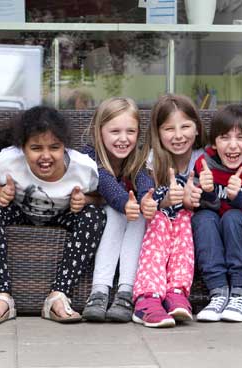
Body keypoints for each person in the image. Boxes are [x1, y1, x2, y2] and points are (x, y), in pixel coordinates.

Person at [0, 106, 106, 325]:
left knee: (94, 215)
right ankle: (2, 296)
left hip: (63, 213)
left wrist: (85, 200)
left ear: (65, 147)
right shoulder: (7, 161)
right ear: (22, 148)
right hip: (20, 211)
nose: (46, 156)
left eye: (54, 147)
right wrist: (1, 192)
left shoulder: (83, 168)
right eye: (35, 148)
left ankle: (58, 296)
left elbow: (100, 198)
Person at [131, 94, 206, 328]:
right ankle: (147, 298)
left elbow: (213, 196)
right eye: (169, 129)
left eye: (185, 126)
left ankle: (177, 292)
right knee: (161, 220)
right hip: (157, 223)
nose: (178, 135)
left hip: (187, 225)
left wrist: (195, 197)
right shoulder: (151, 159)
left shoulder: (204, 159)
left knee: (183, 219)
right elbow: (145, 191)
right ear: (157, 132)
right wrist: (161, 200)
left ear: (196, 128)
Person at [189, 104, 242, 322]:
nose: (232, 146)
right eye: (224, 137)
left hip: (241, 229)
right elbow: (199, 207)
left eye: (241, 138)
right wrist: (208, 192)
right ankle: (218, 293)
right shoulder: (204, 163)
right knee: (203, 218)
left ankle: (241, 293)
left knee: (233, 216)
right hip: (213, 227)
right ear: (214, 142)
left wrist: (239, 198)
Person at [80, 97, 152, 322]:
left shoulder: (138, 156)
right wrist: (125, 203)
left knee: (138, 216)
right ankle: (99, 290)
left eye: (130, 131)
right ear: (99, 131)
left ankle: (126, 291)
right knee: (116, 213)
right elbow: (105, 183)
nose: (123, 139)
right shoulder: (89, 156)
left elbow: (143, 179)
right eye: (115, 132)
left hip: (126, 211)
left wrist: (145, 199)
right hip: (94, 213)